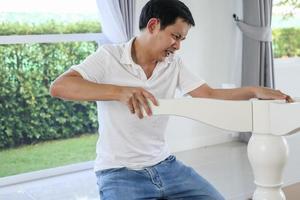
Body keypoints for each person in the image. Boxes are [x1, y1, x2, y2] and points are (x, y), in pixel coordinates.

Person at [50, 0, 292, 199]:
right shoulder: (109, 56)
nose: (177, 46)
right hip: (118, 172)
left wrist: (254, 90)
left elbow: (208, 94)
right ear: (154, 25)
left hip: (167, 166)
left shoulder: (172, 64)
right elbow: (60, 86)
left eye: (182, 40)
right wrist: (120, 92)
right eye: (175, 36)